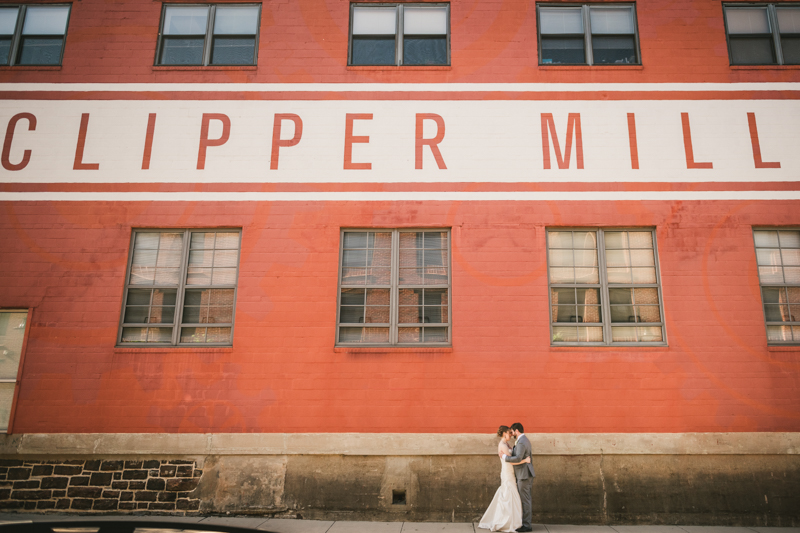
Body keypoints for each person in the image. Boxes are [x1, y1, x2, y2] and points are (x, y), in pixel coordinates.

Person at [478, 425, 531, 532]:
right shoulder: (502, 445)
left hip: (510, 473)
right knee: (508, 495)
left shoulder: (506, 444)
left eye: (511, 433)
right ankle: (506, 522)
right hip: (507, 473)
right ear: (504, 433)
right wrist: (525, 461)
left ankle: (513, 521)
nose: (511, 435)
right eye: (509, 433)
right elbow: (511, 461)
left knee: (512, 496)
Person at [502, 423, 535, 533]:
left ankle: (526, 525)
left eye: (512, 431)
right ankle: (525, 523)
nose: (511, 434)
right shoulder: (523, 440)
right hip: (524, 474)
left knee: (525, 500)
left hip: (524, 475)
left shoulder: (521, 442)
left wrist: (505, 457)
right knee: (526, 499)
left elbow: (518, 458)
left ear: (517, 431)